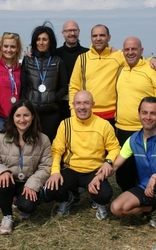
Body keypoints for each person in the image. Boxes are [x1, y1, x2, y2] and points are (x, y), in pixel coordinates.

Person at [91, 97, 156, 250]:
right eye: (144, 112)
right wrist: (97, 178)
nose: (148, 117)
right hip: (147, 188)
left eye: (153, 113)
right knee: (117, 208)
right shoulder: (133, 139)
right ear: (138, 114)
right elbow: (115, 165)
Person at [44, 90, 120, 220]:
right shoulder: (65, 124)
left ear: (92, 105)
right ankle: (68, 198)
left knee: (105, 194)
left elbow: (115, 148)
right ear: (73, 105)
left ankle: (99, 202)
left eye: (86, 103)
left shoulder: (104, 125)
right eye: (78, 103)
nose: (82, 107)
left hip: (94, 172)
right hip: (71, 169)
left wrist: (108, 161)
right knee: (50, 189)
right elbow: (56, 151)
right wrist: (55, 172)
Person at [69, 24, 156, 126]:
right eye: (95, 36)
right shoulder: (82, 58)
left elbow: (136, 58)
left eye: (102, 35)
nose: (98, 38)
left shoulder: (118, 56)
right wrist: (74, 113)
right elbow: (74, 87)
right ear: (91, 38)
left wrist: (152, 59)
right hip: (88, 113)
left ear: (109, 38)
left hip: (112, 116)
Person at [0, 99, 52, 235]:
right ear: (12, 118)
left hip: (28, 182)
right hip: (9, 180)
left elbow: (46, 166)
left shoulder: (43, 139)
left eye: (26, 115)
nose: (22, 120)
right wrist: (2, 171)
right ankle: (7, 216)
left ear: (33, 116)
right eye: (18, 115)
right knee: (2, 184)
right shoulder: (0, 138)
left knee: (27, 206)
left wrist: (32, 184)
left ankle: (22, 203)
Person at [115, 37, 156, 193]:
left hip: (145, 130)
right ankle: (130, 199)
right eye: (127, 49)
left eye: (134, 49)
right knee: (124, 173)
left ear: (141, 50)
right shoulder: (120, 67)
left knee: (145, 171)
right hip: (122, 129)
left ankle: (150, 204)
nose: (130, 52)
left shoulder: (152, 69)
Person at [20, 21, 68, 142]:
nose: (41, 43)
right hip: (32, 112)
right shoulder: (28, 61)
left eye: (44, 39)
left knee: (49, 145)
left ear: (50, 41)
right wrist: (25, 104)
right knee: (31, 144)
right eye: (38, 39)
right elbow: (24, 86)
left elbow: (64, 86)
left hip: (52, 113)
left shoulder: (58, 61)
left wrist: (54, 97)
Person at [56, 20, 89, 120]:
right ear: (63, 33)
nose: (72, 33)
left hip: (82, 104)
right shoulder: (56, 54)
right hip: (60, 103)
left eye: (75, 30)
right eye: (68, 31)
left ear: (79, 32)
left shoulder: (88, 54)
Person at [0, 32, 23, 132]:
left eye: (13, 47)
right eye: (6, 46)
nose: (9, 50)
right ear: (1, 47)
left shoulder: (20, 67)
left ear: (17, 48)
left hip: (17, 118)